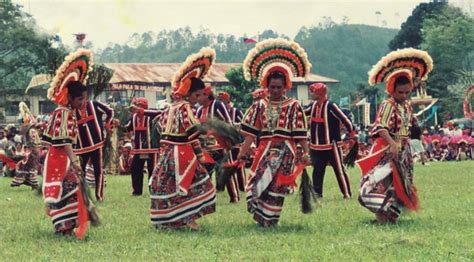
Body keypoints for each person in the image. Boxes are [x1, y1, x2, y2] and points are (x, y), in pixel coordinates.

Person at [237, 38, 311, 227]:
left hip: (286, 150)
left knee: (278, 185)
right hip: (264, 150)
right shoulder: (259, 105)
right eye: (272, 87)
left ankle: (271, 219)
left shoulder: (294, 106)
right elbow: (250, 133)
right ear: (266, 86)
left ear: (286, 86)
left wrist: (307, 152)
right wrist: (243, 151)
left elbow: (300, 134)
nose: (276, 90)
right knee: (256, 183)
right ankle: (261, 215)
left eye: (279, 87)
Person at [357, 48, 433, 223]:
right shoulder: (387, 105)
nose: (405, 96)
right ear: (391, 89)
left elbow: (411, 125)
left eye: (408, 92)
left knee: (401, 183)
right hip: (386, 149)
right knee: (379, 182)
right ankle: (381, 215)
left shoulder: (406, 105)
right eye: (401, 92)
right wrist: (392, 144)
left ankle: (390, 217)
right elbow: (381, 127)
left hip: (403, 151)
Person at [149, 47, 216, 230]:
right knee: (194, 183)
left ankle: (170, 219)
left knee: (167, 184)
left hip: (168, 152)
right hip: (182, 154)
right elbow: (192, 131)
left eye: (202, 95)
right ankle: (187, 219)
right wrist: (203, 149)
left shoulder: (170, 107)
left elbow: (162, 130)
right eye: (197, 95)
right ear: (188, 93)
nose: (199, 98)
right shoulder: (185, 107)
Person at [306, 83, 355, 199]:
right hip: (316, 146)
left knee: (339, 169)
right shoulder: (312, 106)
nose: (311, 94)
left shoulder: (331, 106)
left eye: (312, 91)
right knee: (317, 171)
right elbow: (302, 113)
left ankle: (347, 194)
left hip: (331, 145)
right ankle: (317, 196)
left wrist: (352, 133)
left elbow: (345, 119)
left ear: (319, 93)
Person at [74, 99, 114, 201]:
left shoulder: (94, 104)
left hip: (96, 143)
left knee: (98, 169)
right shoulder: (73, 109)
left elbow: (110, 111)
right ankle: (81, 195)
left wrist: (107, 124)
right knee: (80, 170)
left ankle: (98, 195)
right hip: (82, 146)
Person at [126, 97, 162, 196]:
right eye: (137, 106)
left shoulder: (152, 116)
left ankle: (154, 191)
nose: (138, 108)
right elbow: (127, 128)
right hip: (138, 150)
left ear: (146, 107)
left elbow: (161, 113)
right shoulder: (133, 118)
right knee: (135, 169)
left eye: (141, 106)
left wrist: (144, 111)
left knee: (153, 170)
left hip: (152, 149)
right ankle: (137, 191)